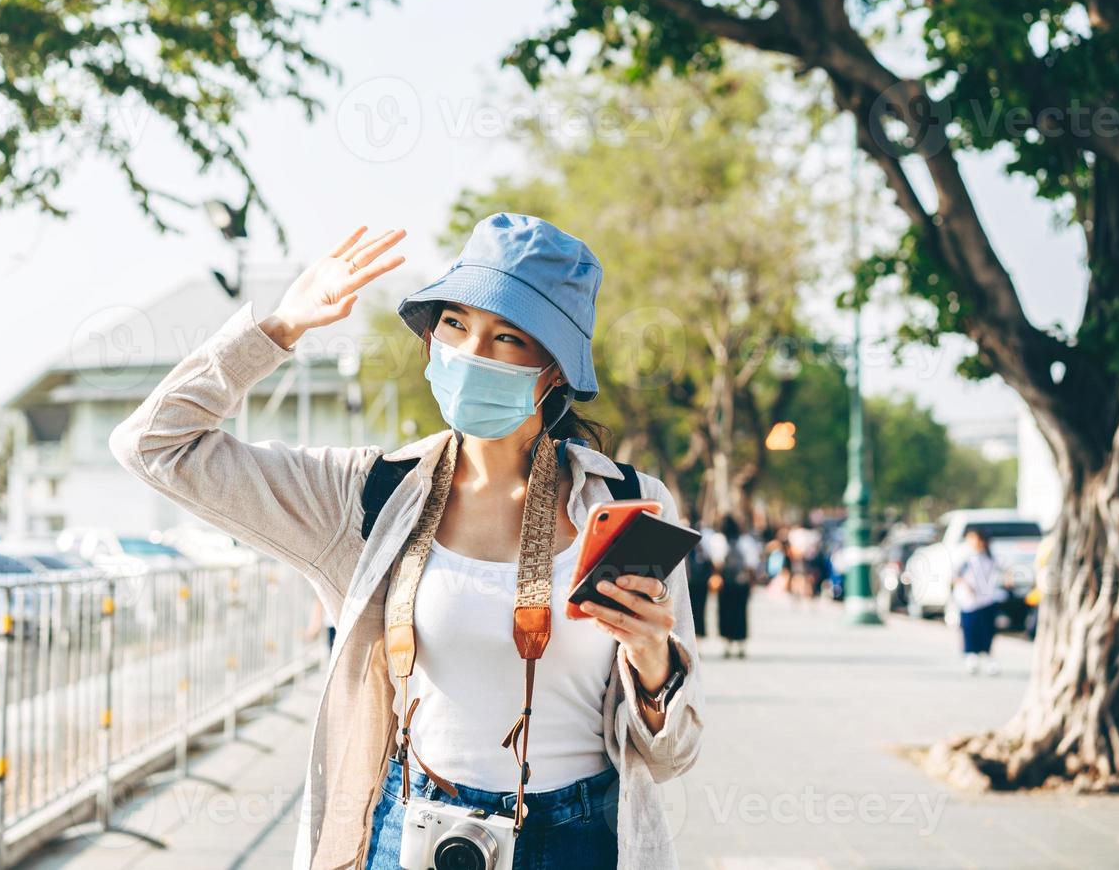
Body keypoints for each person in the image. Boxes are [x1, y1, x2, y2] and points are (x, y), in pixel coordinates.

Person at [109, 215, 705, 870]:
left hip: (582, 839)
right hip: (415, 831)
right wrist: (279, 330)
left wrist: (653, 657)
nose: (473, 352)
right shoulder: (365, 495)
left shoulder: (624, 503)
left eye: (507, 336)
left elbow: (671, 755)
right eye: (454, 324)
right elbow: (152, 446)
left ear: (555, 368)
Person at [953, 526, 1002, 675]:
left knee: (987, 630)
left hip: (987, 600)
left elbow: (1002, 572)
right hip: (969, 602)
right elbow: (954, 575)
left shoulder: (991, 558)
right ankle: (971, 657)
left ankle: (987, 657)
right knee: (970, 629)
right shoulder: (964, 556)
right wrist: (966, 585)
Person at [711, 514, 759, 658]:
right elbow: (751, 564)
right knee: (741, 613)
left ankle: (727, 644)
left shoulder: (718, 540)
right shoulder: (746, 541)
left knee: (725, 612)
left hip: (725, 583)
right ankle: (741, 645)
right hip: (741, 583)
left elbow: (716, 562)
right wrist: (752, 583)